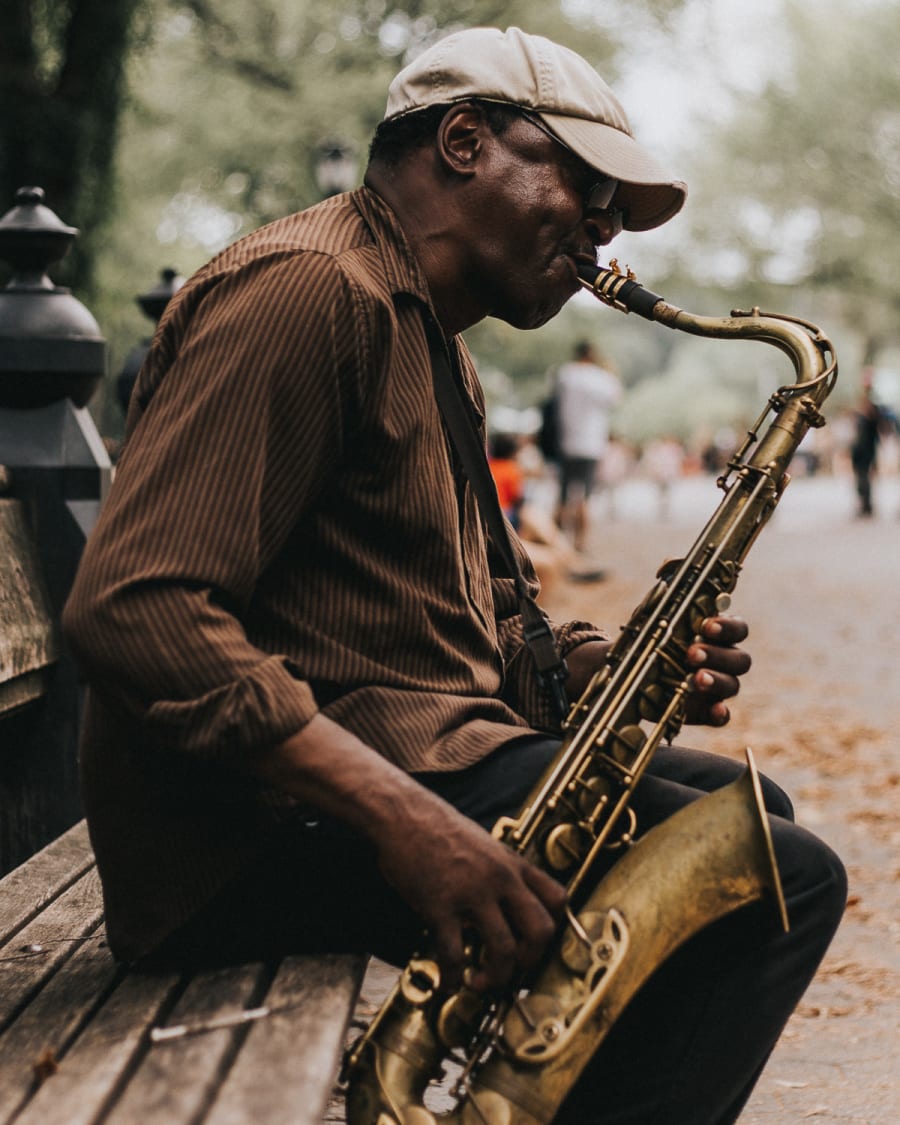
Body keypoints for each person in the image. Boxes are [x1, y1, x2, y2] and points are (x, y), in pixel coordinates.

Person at [63, 27, 845, 1125]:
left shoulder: (429, 339)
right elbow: (134, 606)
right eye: (582, 180)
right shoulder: (309, 291)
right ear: (465, 141)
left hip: (354, 772)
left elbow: (457, 631)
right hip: (239, 841)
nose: (607, 226)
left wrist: (612, 668)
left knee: (747, 819)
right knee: (787, 881)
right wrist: (408, 822)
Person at [554, 339, 622, 551]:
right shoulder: (602, 378)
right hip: (592, 444)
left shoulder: (565, 374)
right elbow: (616, 399)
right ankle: (579, 543)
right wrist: (610, 371)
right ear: (592, 354)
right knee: (584, 496)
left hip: (566, 442)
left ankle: (558, 543)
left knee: (563, 495)